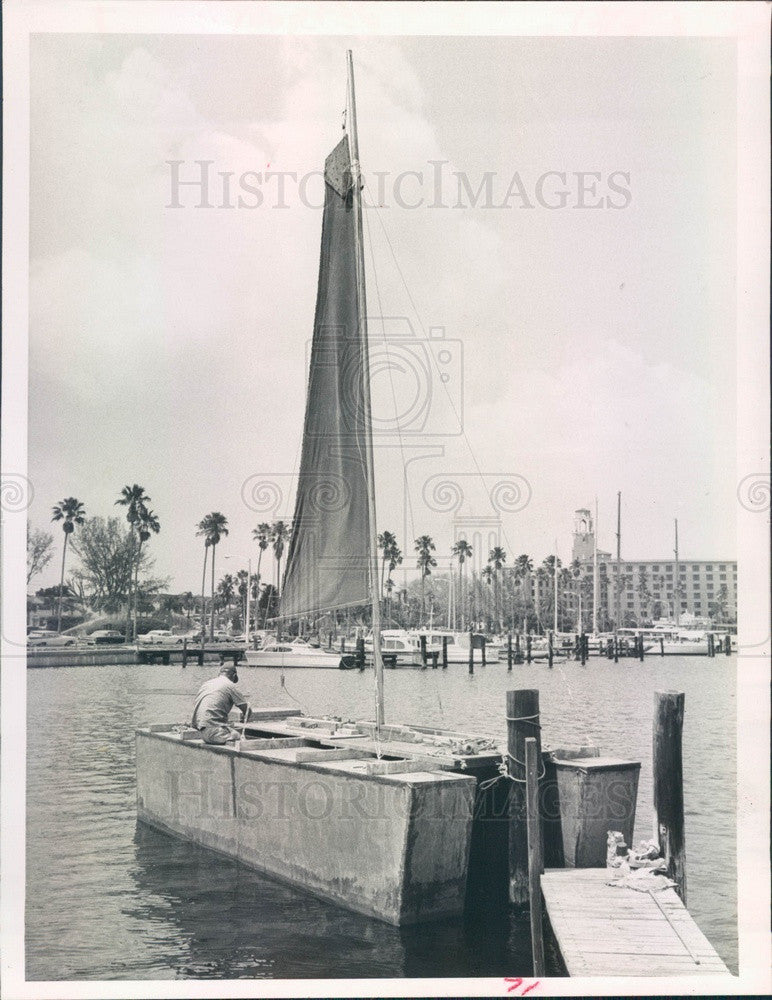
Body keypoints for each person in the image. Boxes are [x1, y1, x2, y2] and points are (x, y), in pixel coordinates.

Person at [191, 664, 250, 744]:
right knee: (239, 738)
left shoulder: (207, 684)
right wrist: (244, 720)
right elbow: (247, 710)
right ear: (234, 675)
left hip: (202, 731)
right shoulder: (230, 685)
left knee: (228, 729)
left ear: (220, 674)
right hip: (215, 733)